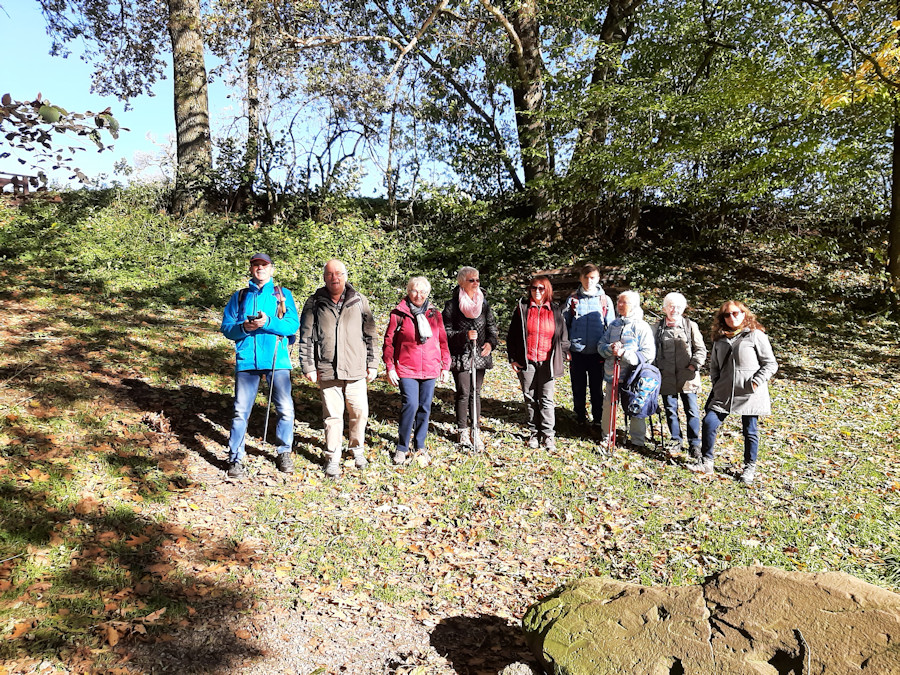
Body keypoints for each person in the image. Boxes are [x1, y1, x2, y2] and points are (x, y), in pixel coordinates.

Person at [220, 253, 300, 478]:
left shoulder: (283, 295)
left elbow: (292, 325)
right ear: (251, 269)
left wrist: (268, 322)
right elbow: (227, 328)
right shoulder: (239, 296)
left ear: (271, 269)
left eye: (264, 265)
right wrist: (244, 327)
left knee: (285, 408)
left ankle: (284, 451)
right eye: (256, 265)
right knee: (240, 411)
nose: (260, 268)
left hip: (277, 358)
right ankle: (235, 457)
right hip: (247, 360)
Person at [298, 259, 378, 478]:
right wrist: (308, 365)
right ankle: (332, 457)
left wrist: (372, 363)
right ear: (324, 277)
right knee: (332, 416)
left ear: (346, 276)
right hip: (327, 368)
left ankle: (356, 449)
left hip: (356, 368)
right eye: (330, 274)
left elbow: (371, 334)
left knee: (359, 412)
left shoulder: (359, 301)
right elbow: (305, 337)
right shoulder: (314, 302)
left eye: (339, 274)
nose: (335, 278)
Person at [689, 300, 778, 485]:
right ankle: (707, 462)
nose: (732, 317)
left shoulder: (755, 336)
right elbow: (714, 366)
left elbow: (770, 364)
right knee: (709, 422)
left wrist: (755, 382)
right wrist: (717, 383)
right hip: (724, 392)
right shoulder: (719, 340)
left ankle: (749, 468)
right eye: (727, 315)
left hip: (749, 393)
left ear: (744, 314)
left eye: (736, 313)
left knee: (750, 430)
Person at [383, 276, 451, 465]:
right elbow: (388, 342)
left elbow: (443, 341)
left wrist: (445, 365)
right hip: (406, 368)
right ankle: (402, 447)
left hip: (430, 368)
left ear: (428, 293)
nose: (418, 294)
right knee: (410, 405)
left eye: (422, 291)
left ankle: (419, 445)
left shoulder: (434, 314)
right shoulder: (398, 314)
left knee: (425, 407)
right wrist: (390, 367)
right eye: (414, 290)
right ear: (408, 291)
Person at [507, 275, 570, 450]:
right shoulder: (522, 309)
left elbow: (563, 336)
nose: (537, 291)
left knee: (546, 398)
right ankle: (534, 432)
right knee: (530, 397)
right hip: (527, 360)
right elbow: (512, 336)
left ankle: (548, 435)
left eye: (541, 288)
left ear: (547, 290)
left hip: (548, 361)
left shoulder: (556, 310)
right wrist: (513, 358)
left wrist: (563, 354)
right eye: (534, 288)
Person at [442, 266, 499, 451]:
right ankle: (462, 430)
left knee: (476, 392)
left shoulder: (484, 304)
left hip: (479, 355)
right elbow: (445, 332)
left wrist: (490, 344)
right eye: (471, 280)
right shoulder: (452, 306)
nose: (476, 283)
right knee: (463, 392)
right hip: (461, 354)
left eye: (477, 280)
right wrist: (464, 335)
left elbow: (491, 327)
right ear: (461, 282)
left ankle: (475, 429)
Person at [653, 292, 707, 460]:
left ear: (683, 308)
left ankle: (694, 444)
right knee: (670, 410)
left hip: (687, 376)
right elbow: (651, 350)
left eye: (677, 306)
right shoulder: (657, 327)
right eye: (670, 306)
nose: (674, 309)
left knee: (692, 411)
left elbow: (701, 349)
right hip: (666, 376)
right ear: (664, 308)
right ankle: (676, 440)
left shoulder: (691, 326)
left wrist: (694, 365)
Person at [599, 290, 656, 448]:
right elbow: (600, 346)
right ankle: (607, 436)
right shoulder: (614, 325)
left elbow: (648, 355)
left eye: (624, 302)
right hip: (613, 375)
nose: (620, 305)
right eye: (619, 301)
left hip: (634, 377)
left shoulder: (642, 327)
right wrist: (610, 348)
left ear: (634, 305)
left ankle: (637, 441)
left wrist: (624, 353)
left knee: (635, 407)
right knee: (609, 406)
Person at [564, 264, 615, 431]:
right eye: (586, 277)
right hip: (577, 352)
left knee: (596, 387)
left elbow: (612, 327)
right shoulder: (573, 299)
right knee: (578, 386)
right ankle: (580, 416)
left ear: (598, 279)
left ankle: (598, 418)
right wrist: (566, 348)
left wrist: (609, 350)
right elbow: (564, 325)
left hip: (597, 353)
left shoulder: (604, 300)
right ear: (580, 278)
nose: (589, 281)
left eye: (592, 277)